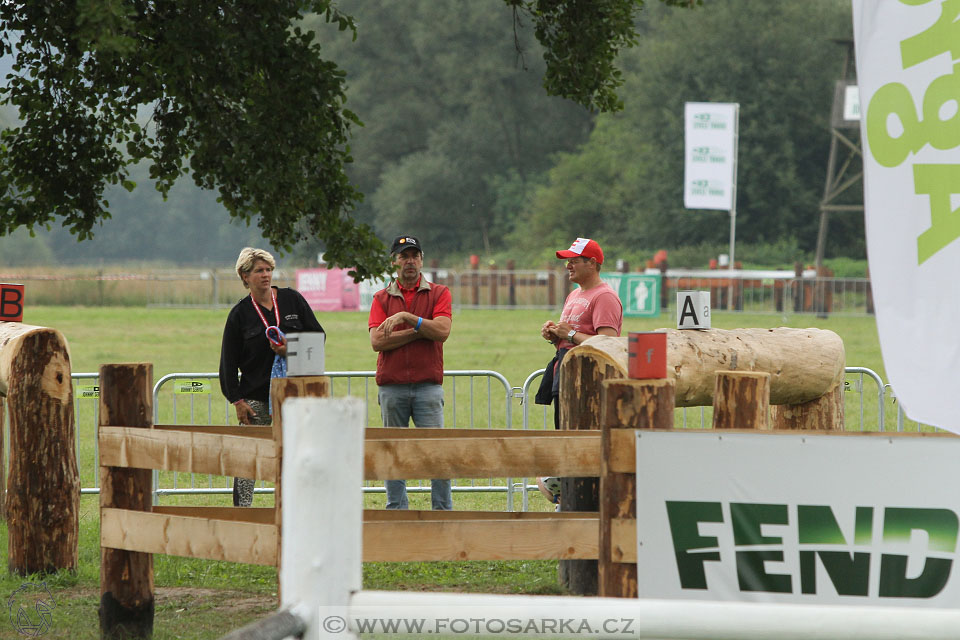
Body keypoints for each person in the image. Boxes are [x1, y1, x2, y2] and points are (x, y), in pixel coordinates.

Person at [219, 247, 324, 507]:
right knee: (248, 460)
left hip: (293, 395)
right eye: (258, 271)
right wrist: (237, 401)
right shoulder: (239, 314)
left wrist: (291, 348)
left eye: (268, 270)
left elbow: (318, 339)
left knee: (296, 456)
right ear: (245, 277)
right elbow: (227, 363)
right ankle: (242, 514)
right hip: (256, 398)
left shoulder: (292, 300)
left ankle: (296, 510)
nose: (265, 275)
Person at [368, 235, 453, 510]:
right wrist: (419, 333)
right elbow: (377, 342)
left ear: (422, 260)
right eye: (404, 256)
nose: (410, 261)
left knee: (437, 454)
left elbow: (441, 332)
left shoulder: (440, 293)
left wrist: (407, 319)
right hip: (391, 387)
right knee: (393, 452)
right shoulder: (380, 298)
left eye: (415, 255)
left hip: (428, 386)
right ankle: (397, 511)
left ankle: (442, 512)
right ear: (394, 261)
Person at [536, 238, 623, 430]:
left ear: (592, 263)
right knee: (563, 434)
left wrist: (570, 334)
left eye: (574, 261)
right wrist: (555, 335)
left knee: (581, 438)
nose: (568, 266)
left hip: (589, 380)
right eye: (568, 261)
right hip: (568, 372)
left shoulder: (604, 297)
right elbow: (571, 336)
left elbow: (609, 343)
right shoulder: (574, 295)